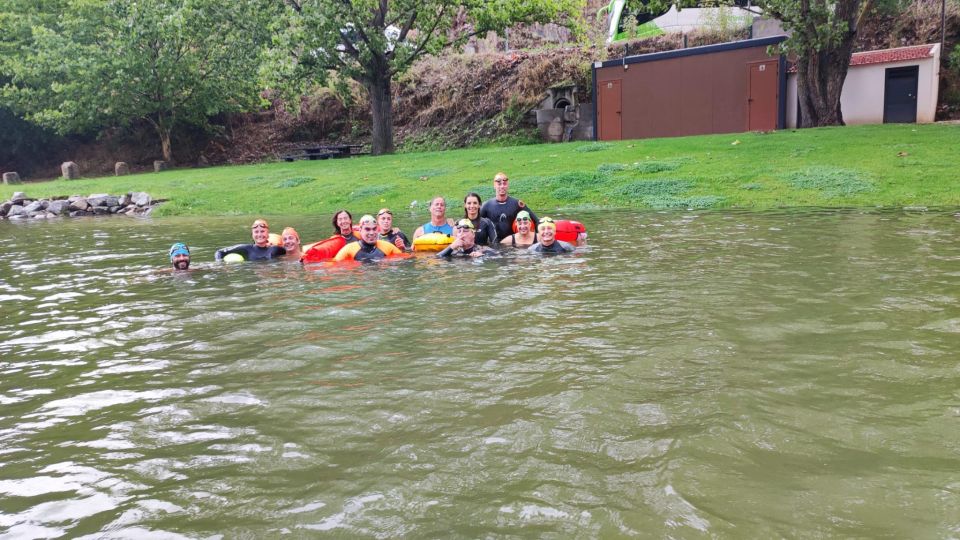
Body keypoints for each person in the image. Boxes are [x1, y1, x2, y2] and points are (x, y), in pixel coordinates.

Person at [480, 172, 538, 242]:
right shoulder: (486, 205)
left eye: (504, 184)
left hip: (512, 244)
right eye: (499, 184)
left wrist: (538, 239)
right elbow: (475, 224)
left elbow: (536, 220)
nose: (502, 186)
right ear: (494, 185)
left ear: (508, 185)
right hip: (494, 245)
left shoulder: (517, 203)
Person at [334, 215, 404, 261]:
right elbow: (332, 267)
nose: (372, 233)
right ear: (360, 230)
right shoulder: (348, 249)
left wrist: (402, 248)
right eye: (367, 229)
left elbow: (405, 259)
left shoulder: (388, 247)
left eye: (374, 229)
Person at [214, 218, 287, 261]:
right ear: (252, 235)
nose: (259, 234)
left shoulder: (276, 249)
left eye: (262, 231)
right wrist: (219, 264)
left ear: (268, 234)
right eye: (256, 232)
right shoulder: (246, 249)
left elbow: (291, 253)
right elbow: (219, 252)